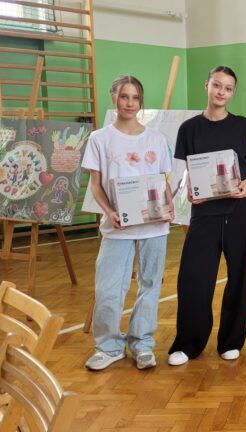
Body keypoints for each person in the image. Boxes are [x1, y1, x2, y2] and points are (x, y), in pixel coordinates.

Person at [167, 66, 246, 366]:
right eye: (217, 85)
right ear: (206, 85)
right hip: (205, 213)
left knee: (240, 278)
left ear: (232, 92)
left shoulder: (242, 125)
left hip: (242, 212)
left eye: (228, 88)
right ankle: (188, 344)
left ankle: (231, 342)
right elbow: (187, 172)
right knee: (194, 278)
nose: (222, 92)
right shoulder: (189, 128)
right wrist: (189, 191)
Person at [81, 75, 173, 371]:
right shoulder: (99, 139)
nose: (130, 103)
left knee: (150, 285)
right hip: (116, 227)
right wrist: (109, 211)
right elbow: (96, 185)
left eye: (135, 97)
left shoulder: (157, 139)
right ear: (114, 98)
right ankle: (108, 346)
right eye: (124, 96)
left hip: (154, 225)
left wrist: (169, 205)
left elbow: (162, 182)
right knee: (108, 289)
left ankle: (142, 343)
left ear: (141, 101)